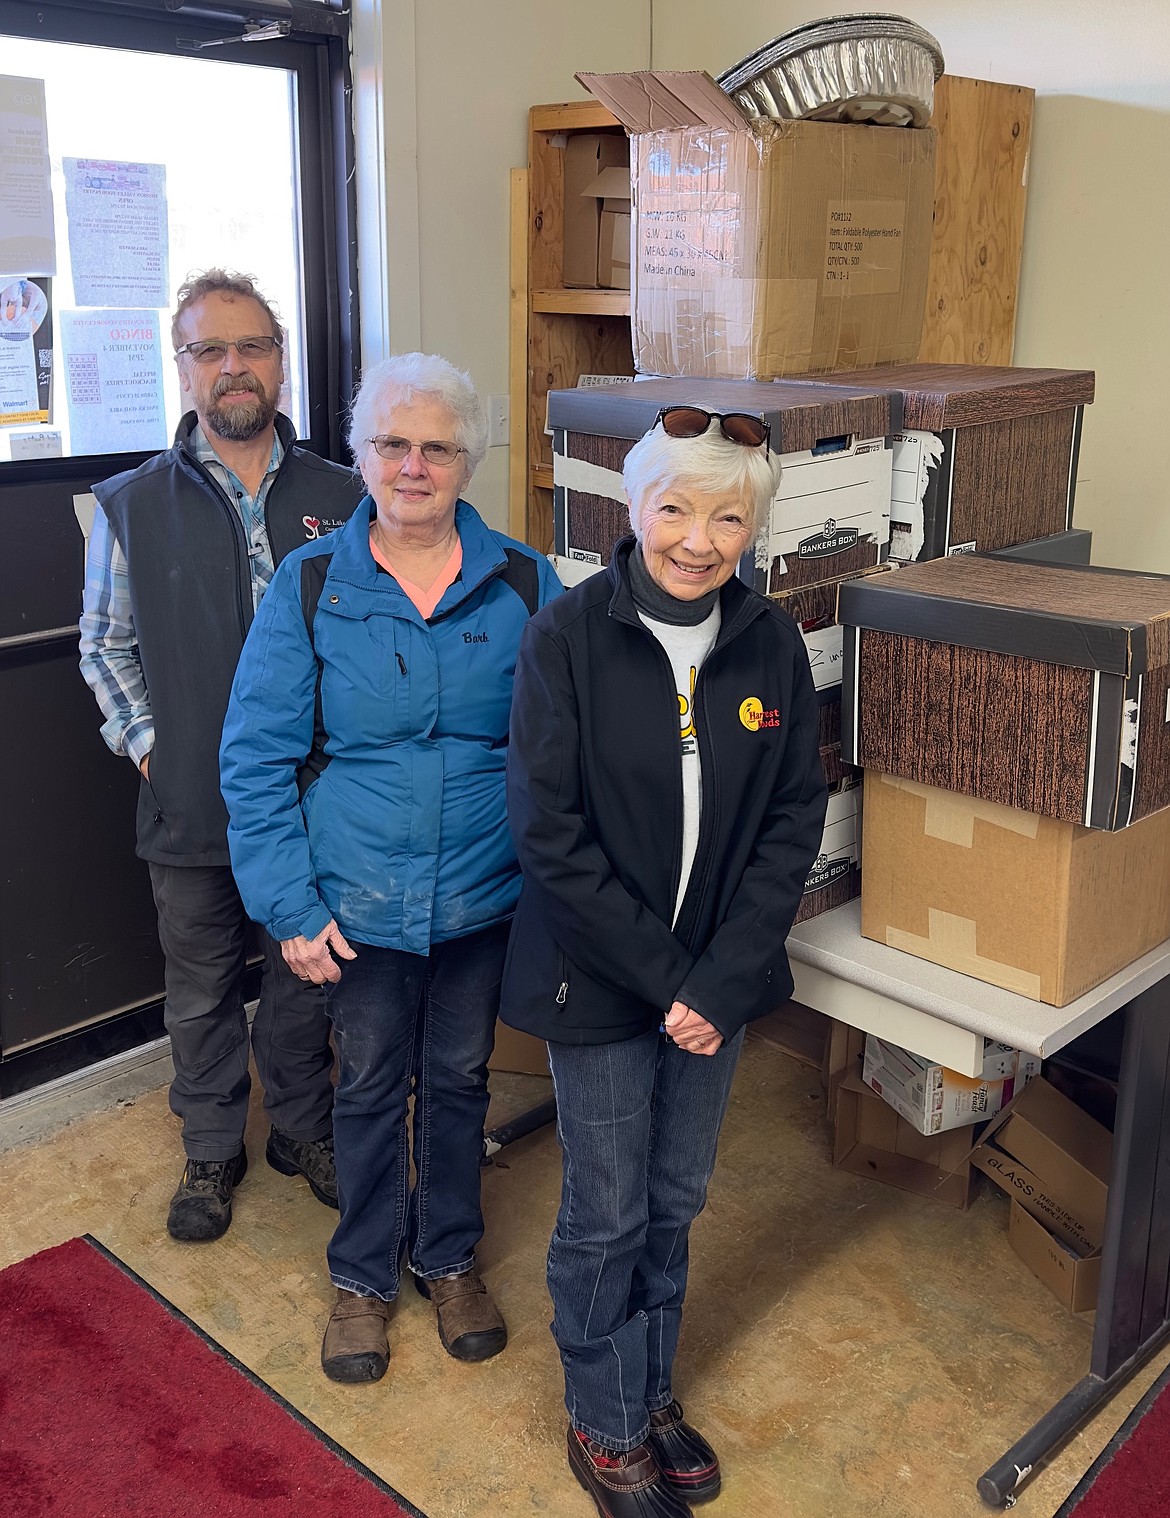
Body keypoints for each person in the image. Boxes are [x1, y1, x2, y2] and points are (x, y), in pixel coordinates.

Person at [500, 405, 829, 1516]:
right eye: (676, 507)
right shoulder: (568, 636)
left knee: (676, 1197)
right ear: (631, 509)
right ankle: (602, 1414)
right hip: (602, 982)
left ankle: (647, 1390)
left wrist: (724, 980)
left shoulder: (771, 641)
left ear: (752, 528)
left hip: (715, 990)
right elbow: (548, 833)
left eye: (727, 516)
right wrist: (672, 980)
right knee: (605, 1209)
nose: (698, 538)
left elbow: (792, 821)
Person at [219, 351, 562, 1384]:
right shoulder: (312, 582)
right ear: (364, 456)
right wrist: (287, 903)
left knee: (458, 1079)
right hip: (354, 894)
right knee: (367, 1083)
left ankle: (448, 1255)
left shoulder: (523, 581)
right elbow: (256, 754)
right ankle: (363, 1277)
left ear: (469, 460)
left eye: (438, 448)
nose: (414, 467)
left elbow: (558, 747)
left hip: (480, 895)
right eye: (393, 445)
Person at [79, 270, 364, 1244]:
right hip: (191, 808)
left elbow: (372, 638)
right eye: (210, 350)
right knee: (201, 988)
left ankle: (300, 1127)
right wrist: (157, 753)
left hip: (315, 808)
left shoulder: (345, 494)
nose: (233, 366)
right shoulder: (129, 506)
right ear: (185, 368)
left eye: (251, 346)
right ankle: (211, 1146)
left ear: (280, 361)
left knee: (305, 979)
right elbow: (105, 649)